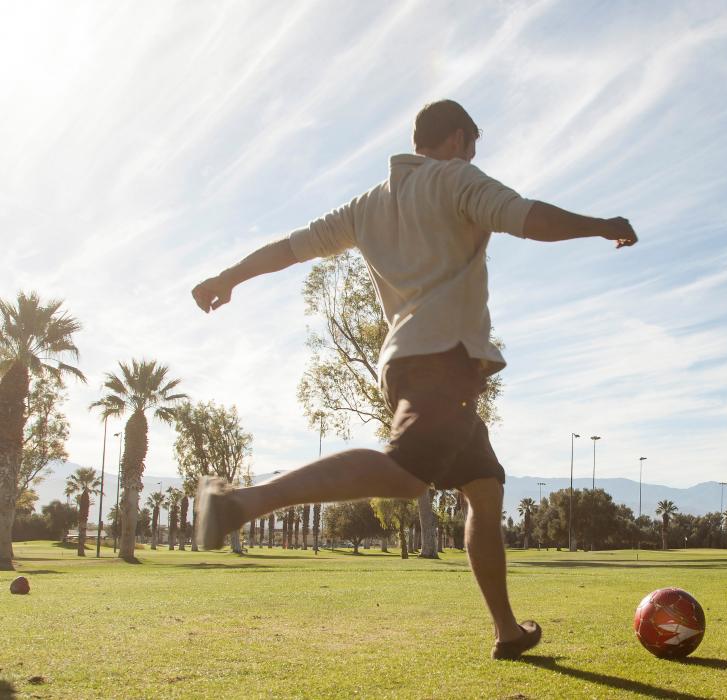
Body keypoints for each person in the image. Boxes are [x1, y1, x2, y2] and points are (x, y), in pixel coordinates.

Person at [190, 99, 637, 660]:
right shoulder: (455, 179)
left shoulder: (368, 204)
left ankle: (507, 630)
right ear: (455, 140)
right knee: (406, 476)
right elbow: (528, 219)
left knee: (485, 491)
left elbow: (291, 247)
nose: (473, 155)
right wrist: (601, 226)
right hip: (443, 359)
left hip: (411, 362)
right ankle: (239, 503)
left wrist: (229, 277)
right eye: (472, 145)